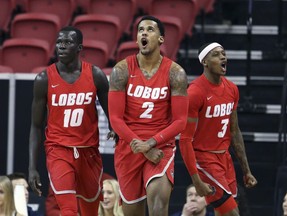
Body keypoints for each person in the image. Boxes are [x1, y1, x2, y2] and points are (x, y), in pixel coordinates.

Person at [108, 15, 211, 216]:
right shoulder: (121, 70)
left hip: (161, 147)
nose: (144, 33)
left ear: (161, 39)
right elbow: (115, 119)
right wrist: (143, 148)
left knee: (158, 205)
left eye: (150, 30)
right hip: (130, 148)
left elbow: (180, 121)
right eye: (140, 30)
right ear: (137, 39)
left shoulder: (175, 73)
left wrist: (152, 143)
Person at [28, 26, 115, 216]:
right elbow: (35, 126)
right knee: (67, 209)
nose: (61, 46)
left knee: (90, 209)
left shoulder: (96, 75)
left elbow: (113, 116)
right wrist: (32, 167)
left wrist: (113, 128)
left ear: (79, 47)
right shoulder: (44, 79)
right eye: (59, 42)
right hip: (58, 150)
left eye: (67, 42)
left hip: (89, 152)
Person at [179, 42, 258, 216]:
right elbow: (185, 140)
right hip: (204, 160)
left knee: (222, 212)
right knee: (232, 213)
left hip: (225, 158)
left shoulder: (232, 89)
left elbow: (235, 131)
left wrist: (246, 170)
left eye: (223, 53)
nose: (223, 57)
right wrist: (196, 179)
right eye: (216, 54)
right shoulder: (195, 93)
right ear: (205, 62)